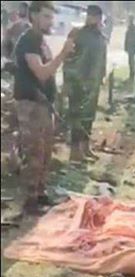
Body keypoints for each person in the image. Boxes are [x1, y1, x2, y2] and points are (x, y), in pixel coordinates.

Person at [13, 0, 75, 214]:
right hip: (31, 106)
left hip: (42, 105)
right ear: (34, 15)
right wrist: (63, 53)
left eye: (52, 17)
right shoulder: (28, 40)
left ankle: (40, 193)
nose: (51, 21)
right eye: (46, 16)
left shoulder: (40, 41)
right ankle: (30, 201)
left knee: (45, 152)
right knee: (34, 153)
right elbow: (41, 73)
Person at [63, 4, 107, 162]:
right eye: (89, 15)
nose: (91, 19)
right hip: (78, 83)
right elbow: (67, 58)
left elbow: (102, 60)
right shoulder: (77, 34)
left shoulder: (100, 37)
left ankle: (85, 147)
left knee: (89, 117)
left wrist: (101, 78)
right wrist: (68, 81)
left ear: (99, 18)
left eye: (94, 16)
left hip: (93, 85)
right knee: (77, 118)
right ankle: (75, 152)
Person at [124, 13, 135, 81]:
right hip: (130, 46)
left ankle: (132, 73)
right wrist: (125, 46)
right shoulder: (129, 27)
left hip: (132, 46)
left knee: (131, 60)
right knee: (130, 60)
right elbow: (127, 38)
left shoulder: (134, 28)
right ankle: (132, 72)